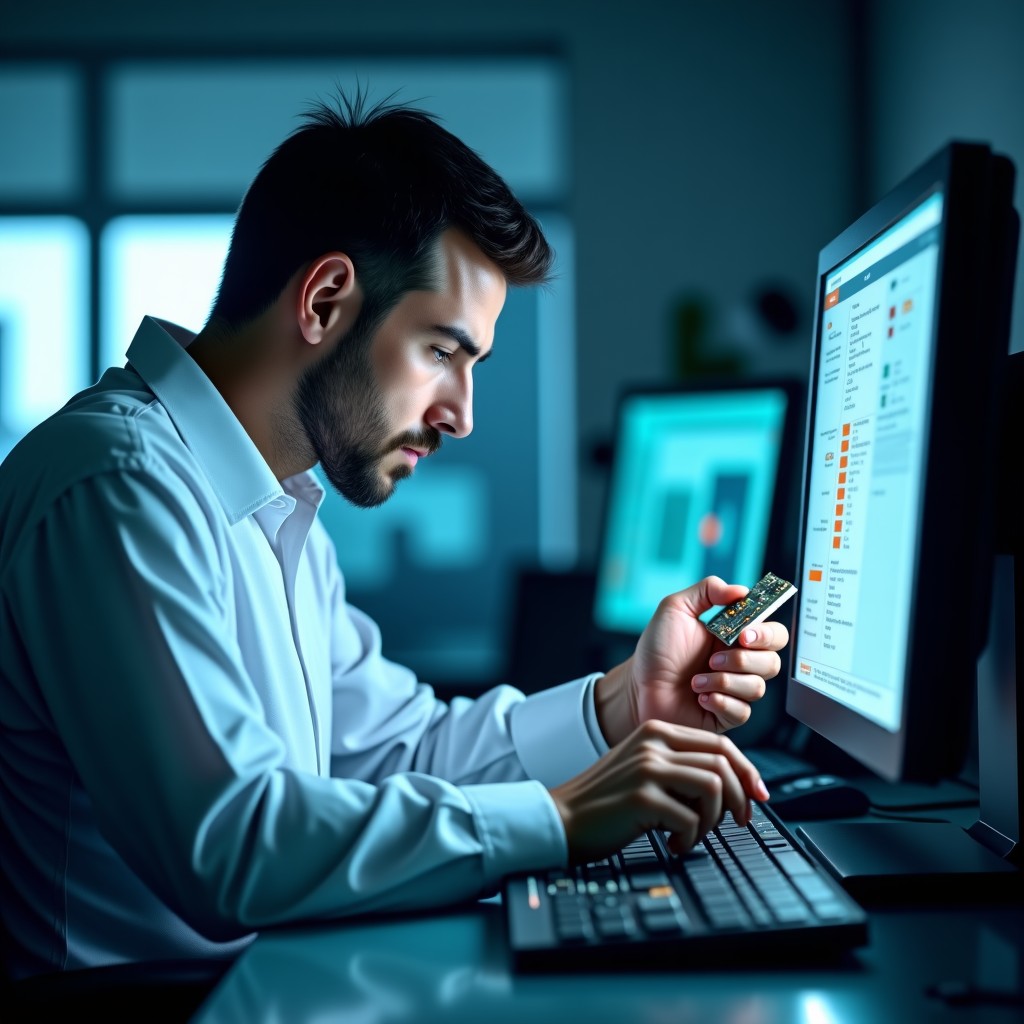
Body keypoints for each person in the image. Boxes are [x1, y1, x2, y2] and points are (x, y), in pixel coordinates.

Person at [0, 91, 788, 979]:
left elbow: (394, 753)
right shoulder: (117, 486)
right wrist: (562, 820)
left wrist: (622, 704)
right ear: (327, 299)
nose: (462, 417)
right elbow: (230, 845)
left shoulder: (277, 505)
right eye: (443, 353)